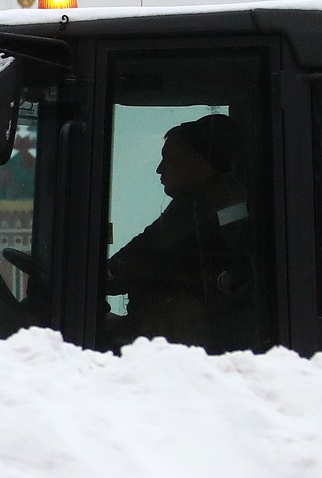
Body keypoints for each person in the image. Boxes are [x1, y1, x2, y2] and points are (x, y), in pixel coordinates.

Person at [106, 113, 255, 351]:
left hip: (189, 346)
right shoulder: (225, 197)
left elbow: (135, 261)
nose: (159, 169)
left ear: (199, 161)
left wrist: (98, 278)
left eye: (170, 159)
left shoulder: (201, 209)